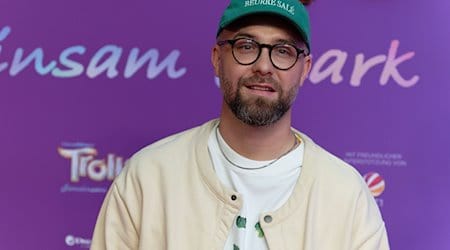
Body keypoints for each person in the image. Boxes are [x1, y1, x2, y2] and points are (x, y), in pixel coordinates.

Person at [90, 0, 390, 249]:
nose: (264, 65)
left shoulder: (345, 193)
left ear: (304, 69)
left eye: (283, 51)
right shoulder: (148, 176)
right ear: (217, 58)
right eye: (246, 46)